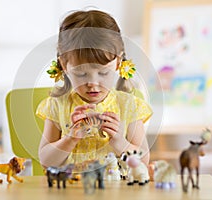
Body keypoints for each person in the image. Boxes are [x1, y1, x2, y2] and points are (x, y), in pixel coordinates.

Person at [36, 9, 152, 169]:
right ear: (64, 65)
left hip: (119, 192)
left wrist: (120, 142)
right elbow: (46, 161)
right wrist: (69, 139)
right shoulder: (57, 105)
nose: (93, 83)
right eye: (81, 73)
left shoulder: (130, 106)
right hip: (71, 191)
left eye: (103, 73)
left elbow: (143, 162)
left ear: (118, 62)